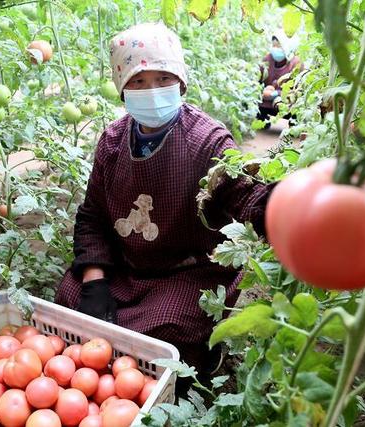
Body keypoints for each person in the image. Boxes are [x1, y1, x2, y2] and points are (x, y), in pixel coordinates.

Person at [54, 22, 272, 382]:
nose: (151, 91)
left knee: (166, 331)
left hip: (189, 274)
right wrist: (95, 282)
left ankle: (196, 356)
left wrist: (275, 204)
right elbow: (92, 216)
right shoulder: (111, 142)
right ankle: (115, 360)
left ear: (181, 83)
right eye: (138, 82)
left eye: (163, 79)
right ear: (123, 89)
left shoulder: (207, 141)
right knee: (70, 295)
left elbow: (245, 192)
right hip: (128, 267)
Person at [258, 31, 304, 125]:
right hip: (267, 97)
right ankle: (262, 119)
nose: (275, 49)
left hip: (288, 99)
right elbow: (259, 77)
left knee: (295, 104)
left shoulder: (296, 63)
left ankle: (294, 123)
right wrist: (262, 90)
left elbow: (299, 88)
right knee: (256, 99)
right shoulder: (268, 59)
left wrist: (276, 93)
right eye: (273, 46)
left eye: (278, 46)